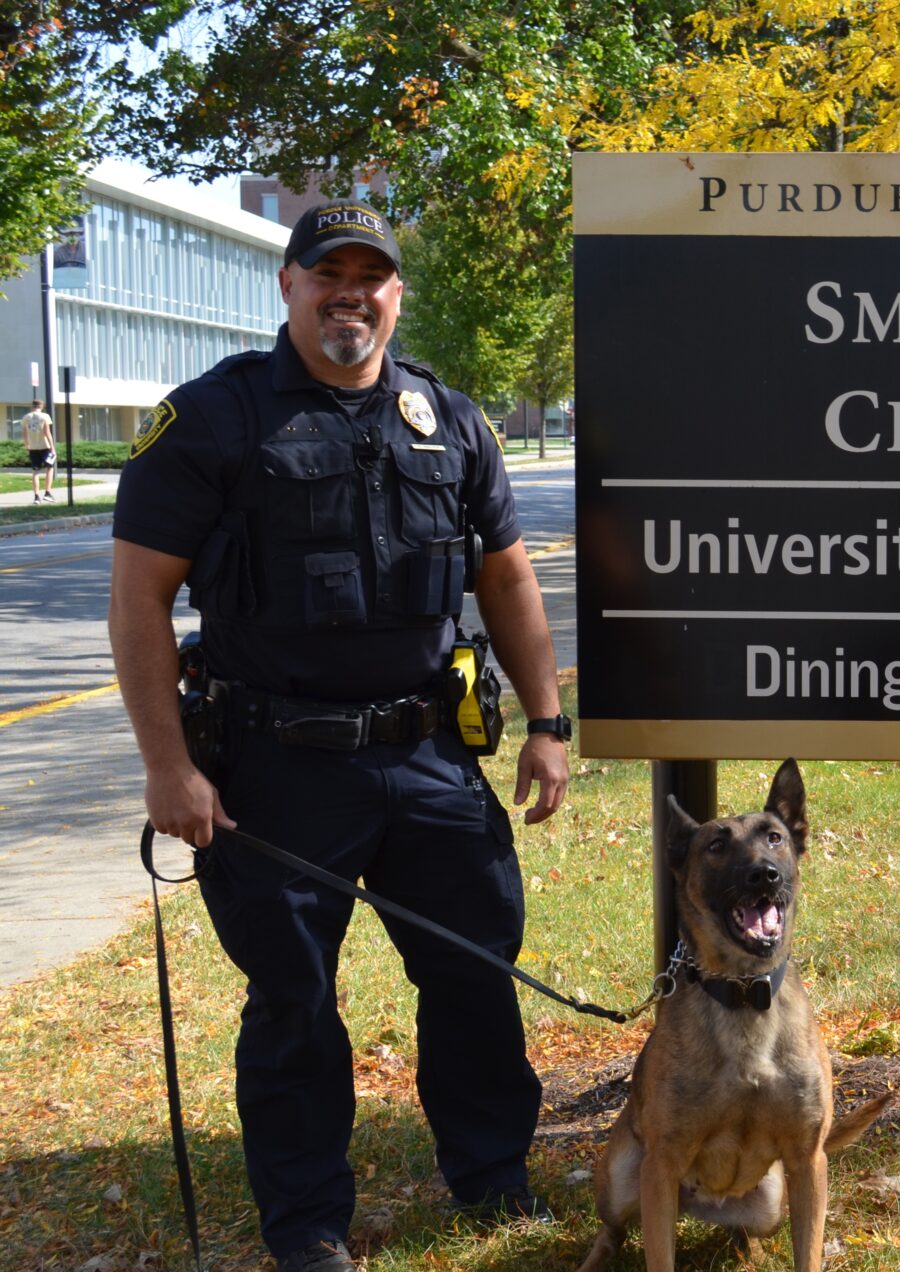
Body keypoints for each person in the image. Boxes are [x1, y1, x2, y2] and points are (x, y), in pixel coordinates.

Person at [107, 200, 571, 1272]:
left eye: (372, 274)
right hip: (273, 767)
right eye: (329, 273)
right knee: (295, 1003)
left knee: (472, 972)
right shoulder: (215, 421)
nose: (350, 292)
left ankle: (494, 1180)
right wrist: (167, 764)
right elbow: (138, 601)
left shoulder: (449, 420)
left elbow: (505, 573)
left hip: (428, 755)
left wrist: (546, 722)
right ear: (290, 285)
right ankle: (309, 1223)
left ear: (395, 292)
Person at [22, 398, 54, 503]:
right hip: (45, 446)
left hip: (33, 447)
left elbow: (25, 434)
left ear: (32, 406)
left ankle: (36, 496)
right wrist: (52, 448)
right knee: (49, 467)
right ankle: (47, 493)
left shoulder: (26, 417)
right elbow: (47, 433)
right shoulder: (45, 416)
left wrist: (27, 445)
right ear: (42, 406)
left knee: (35, 471)